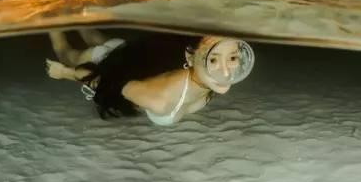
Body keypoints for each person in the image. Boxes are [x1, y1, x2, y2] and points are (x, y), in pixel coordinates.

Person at [46, 28, 255, 125]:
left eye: (233, 58)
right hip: (107, 63)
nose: (226, 72)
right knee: (66, 53)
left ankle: (80, 16)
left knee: (96, 36)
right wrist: (66, 72)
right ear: (190, 59)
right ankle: (51, 18)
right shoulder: (160, 99)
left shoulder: (207, 79)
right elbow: (106, 82)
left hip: (128, 54)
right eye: (213, 60)